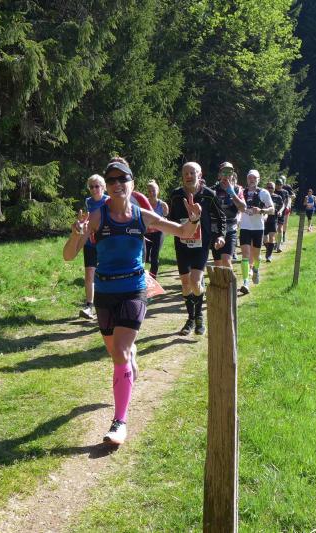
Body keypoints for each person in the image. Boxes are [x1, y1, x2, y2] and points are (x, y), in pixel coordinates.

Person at [63, 158, 201, 445]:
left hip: (134, 289)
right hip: (105, 291)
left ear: (131, 183)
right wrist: (76, 234)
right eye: (111, 180)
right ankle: (130, 356)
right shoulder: (97, 217)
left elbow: (184, 232)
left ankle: (119, 422)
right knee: (117, 352)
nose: (116, 184)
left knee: (120, 352)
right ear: (106, 187)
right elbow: (68, 255)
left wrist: (193, 220)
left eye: (122, 179)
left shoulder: (142, 216)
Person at [168, 162, 226, 335]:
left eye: (192, 172)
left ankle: (199, 315)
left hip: (201, 244)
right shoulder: (176, 195)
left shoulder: (209, 195)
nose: (188, 176)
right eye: (185, 173)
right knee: (186, 284)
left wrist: (221, 235)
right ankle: (191, 319)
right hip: (182, 244)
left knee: (195, 282)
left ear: (199, 175)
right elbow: (171, 218)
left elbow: (221, 217)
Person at [238, 170, 274, 294]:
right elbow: (237, 207)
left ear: (258, 179)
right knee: (245, 255)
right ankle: (245, 282)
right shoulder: (242, 192)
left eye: (254, 178)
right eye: (250, 178)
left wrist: (261, 211)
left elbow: (272, 209)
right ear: (247, 179)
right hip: (245, 227)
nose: (252, 180)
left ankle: (256, 270)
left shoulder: (264, 192)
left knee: (256, 256)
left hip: (258, 228)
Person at [80, 175, 109, 319]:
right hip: (90, 243)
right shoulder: (88, 202)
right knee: (89, 273)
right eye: (91, 187)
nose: (94, 189)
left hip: (105, 243)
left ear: (103, 187)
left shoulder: (109, 201)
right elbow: (85, 221)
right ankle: (89, 306)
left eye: (97, 186)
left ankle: (108, 304)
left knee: (107, 274)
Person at [211, 162, 246, 269]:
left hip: (231, 229)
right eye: (224, 172)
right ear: (219, 175)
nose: (226, 175)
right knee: (218, 264)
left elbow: (243, 208)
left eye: (229, 172)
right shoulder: (212, 190)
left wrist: (232, 193)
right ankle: (222, 280)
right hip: (215, 229)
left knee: (226, 261)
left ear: (233, 175)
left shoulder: (237, 189)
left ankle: (230, 280)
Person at [144, 180, 169, 278]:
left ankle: (153, 277)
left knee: (154, 256)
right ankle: (143, 277)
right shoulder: (144, 203)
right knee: (145, 257)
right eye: (149, 191)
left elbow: (166, 217)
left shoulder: (162, 204)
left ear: (157, 191)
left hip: (158, 233)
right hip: (146, 233)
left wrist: (165, 213)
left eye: (153, 191)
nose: (151, 193)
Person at [263, 181, 285, 262]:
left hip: (273, 219)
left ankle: (268, 256)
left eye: (271, 188)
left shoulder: (277, 197)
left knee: (271, 237)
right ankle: (269, 248)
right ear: (266, 188)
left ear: (274, 188)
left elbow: (283, 205)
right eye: (268, 187)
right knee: (265, 239)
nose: (270, 189)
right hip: (263, 220)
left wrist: (280, 211)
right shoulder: (262, 196)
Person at [274, 177, 290, 252]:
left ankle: (278, 245)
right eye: (277, 184)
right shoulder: (273, 191)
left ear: (282, 185)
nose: (278, 186)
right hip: (273, 212)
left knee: (280, 228)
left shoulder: (285, 192)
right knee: (274, 229)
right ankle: (275, 242)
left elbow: (286, 202)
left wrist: (283, 209)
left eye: (280, 184)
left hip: (281, 212)